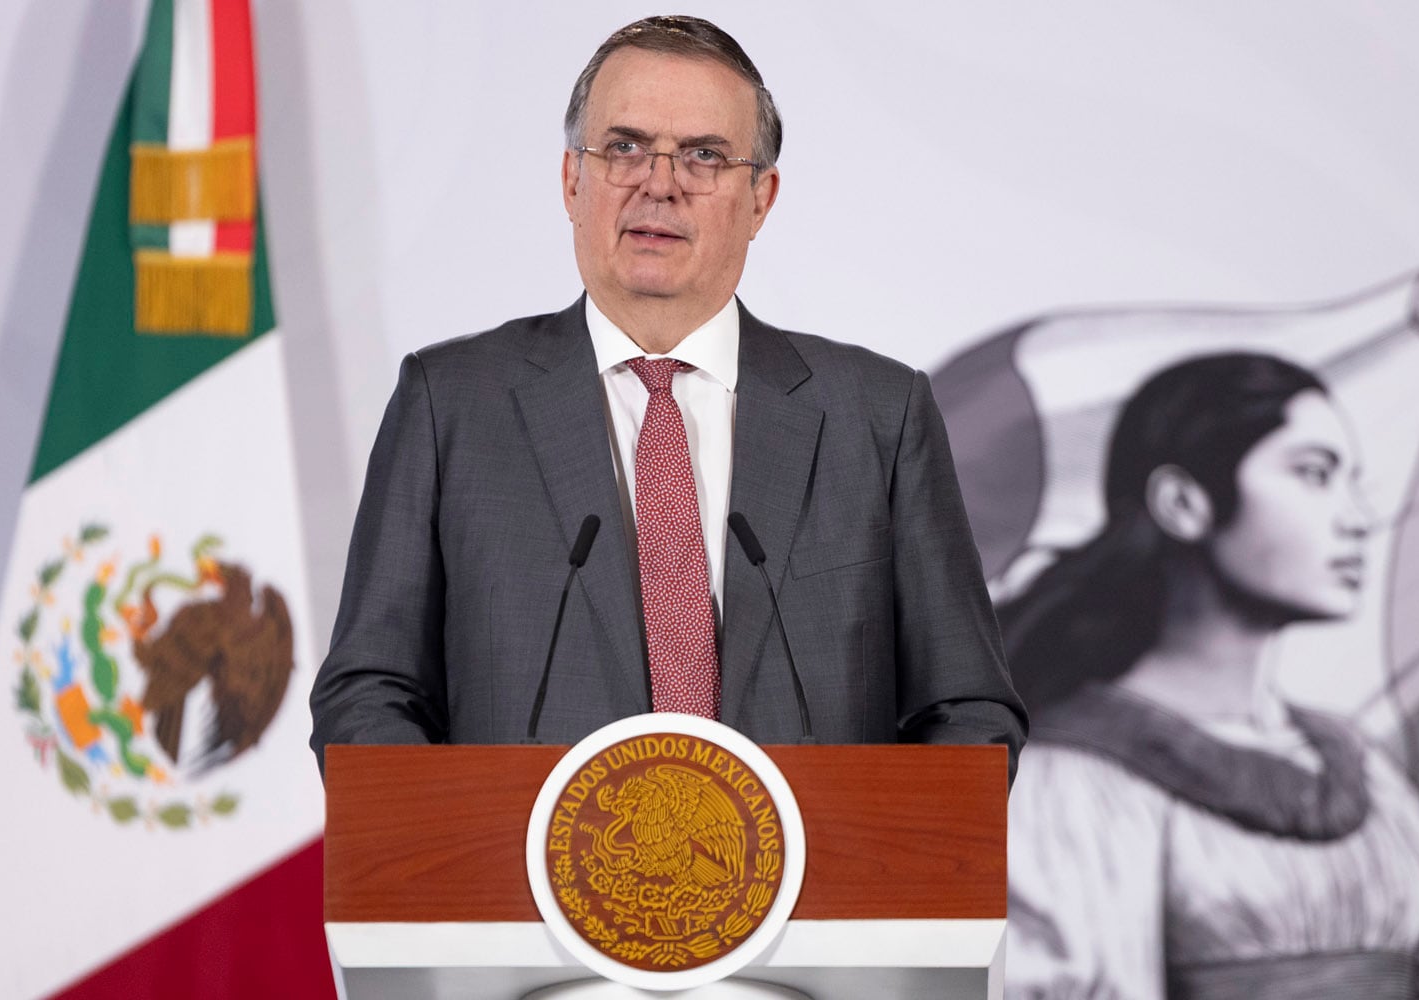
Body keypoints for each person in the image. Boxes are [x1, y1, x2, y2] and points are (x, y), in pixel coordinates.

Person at [308, 16, 1026, 777]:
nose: (660, 182)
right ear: (571, 181)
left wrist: (879, 868)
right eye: (624, 147)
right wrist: (459, 857)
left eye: (704, 156)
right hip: (520, 890)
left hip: (813, 892)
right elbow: (370, 693)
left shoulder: (879, 417)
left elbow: (967, 711)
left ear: (760, 198)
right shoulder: (449, 406)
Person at [999, 353, 1419, 999]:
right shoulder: (1066, 781)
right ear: (1184, 504)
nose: (1355, 517)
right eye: (1314, 475)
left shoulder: (1353, 765)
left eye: (1353, 482)